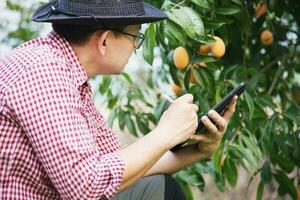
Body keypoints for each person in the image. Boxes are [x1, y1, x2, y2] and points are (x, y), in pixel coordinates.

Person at [0, 0, 238, 199]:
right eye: (135, 37)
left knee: (162, 187)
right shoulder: (43, 73)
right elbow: (88, 187)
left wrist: (199, 151)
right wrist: (164, 133)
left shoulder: (68, 75)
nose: (136, 46)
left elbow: (120, 167)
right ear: (104, 40)